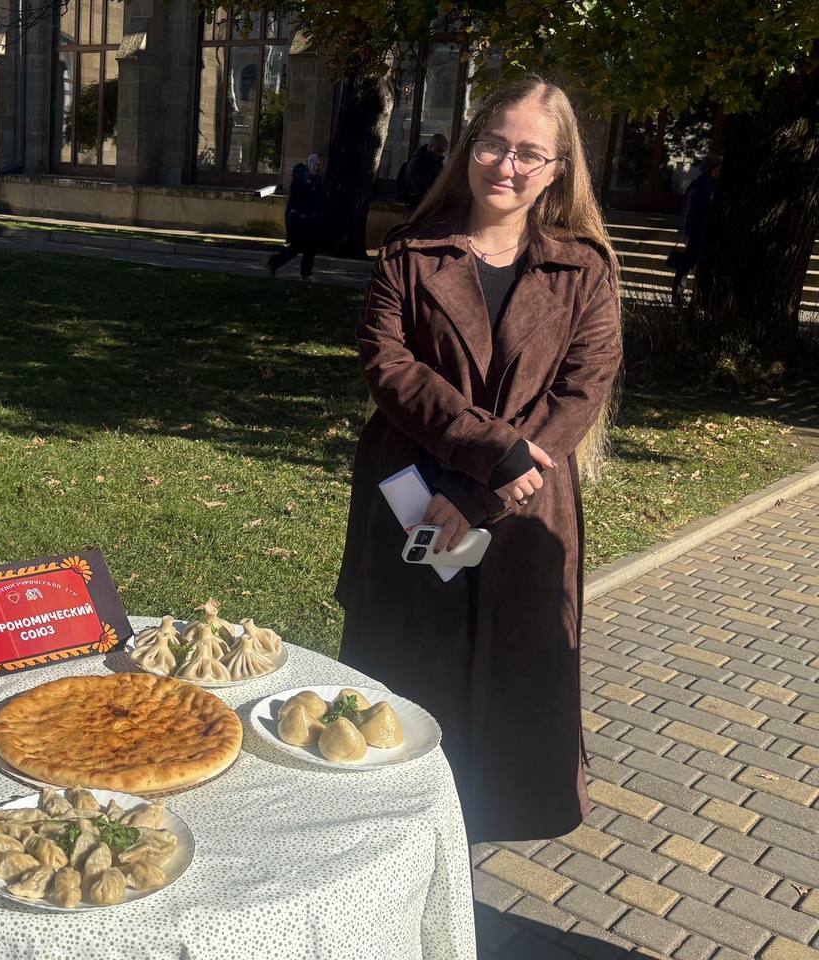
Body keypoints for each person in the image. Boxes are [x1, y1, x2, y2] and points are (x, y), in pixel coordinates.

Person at [335, 76, 622, 844]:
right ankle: (395, 849)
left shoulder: (584, 268)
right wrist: (491, 454)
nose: (507, 165)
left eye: (530, 153)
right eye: (494, 143)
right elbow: (389, 367)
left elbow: (581, 392)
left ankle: (465, 863)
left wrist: (481, 492)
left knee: (505, 695)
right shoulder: (410, 251)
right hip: (412, 499)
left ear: (557, 169)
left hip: (522, 513)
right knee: (404, 687)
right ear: (470, 146)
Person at [668, 155, 720, 304]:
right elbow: (691, 210)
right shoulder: (703, 185)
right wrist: (685, 232)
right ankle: (679, 298)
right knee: (688, 264)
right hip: (698, 232)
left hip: (700, 231)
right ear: (713, 170)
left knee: (689, 265)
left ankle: (681, 298)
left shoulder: (704, 184)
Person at [268, 153, 325, 280]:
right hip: (297, 217)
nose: (319, 168)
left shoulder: (317, 179)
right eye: (317, 165)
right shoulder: (301, 175)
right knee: (296, 247)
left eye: (320, 165)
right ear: (311, 164)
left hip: (309, 218)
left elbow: (318, 199)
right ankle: (273, 262)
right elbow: (298, 193)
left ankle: (306, 273)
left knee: (310, 247)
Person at [401, 133, 449, 211]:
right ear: (431, 147)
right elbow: (420, 189)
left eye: (442, 152)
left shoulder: (437, 164)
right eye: (439, 151)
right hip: (417, 206)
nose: (440, 154)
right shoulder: (417, 163)